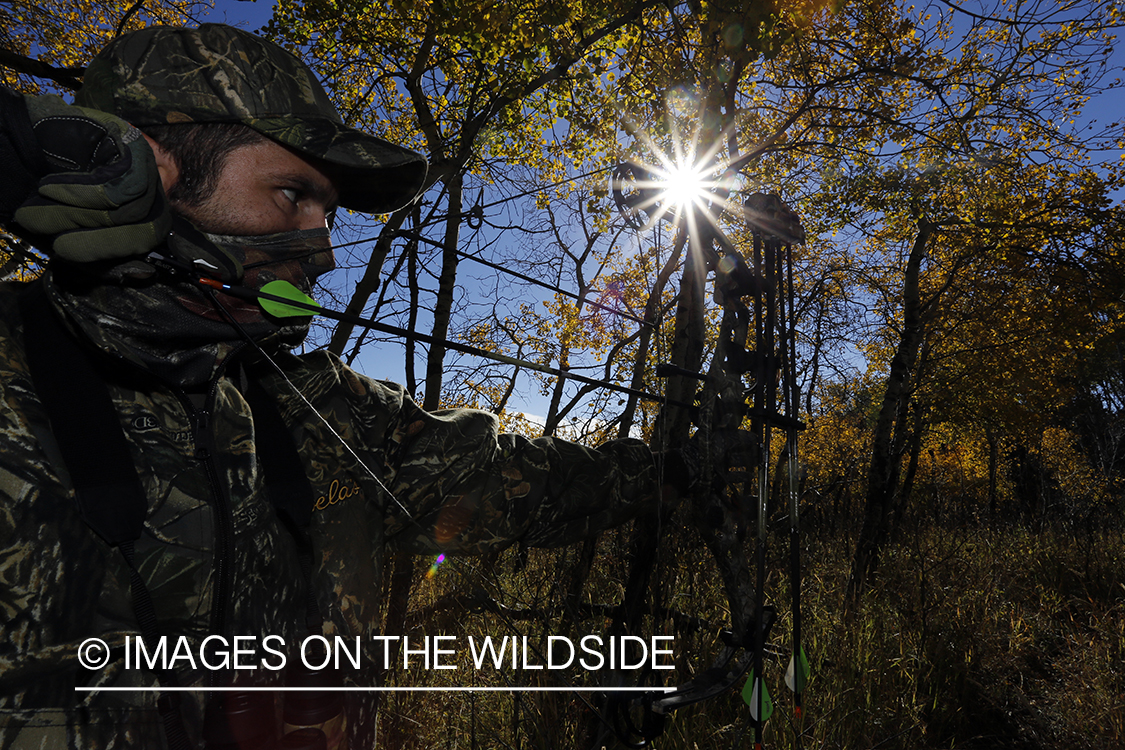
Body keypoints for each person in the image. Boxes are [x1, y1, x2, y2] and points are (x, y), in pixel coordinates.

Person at [0, 24, 682, 749]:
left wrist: (688, 466)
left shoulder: (318, 407)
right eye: (292, 193)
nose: (323, 250)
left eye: (327, 212)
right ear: (140, 169)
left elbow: (525, 481)